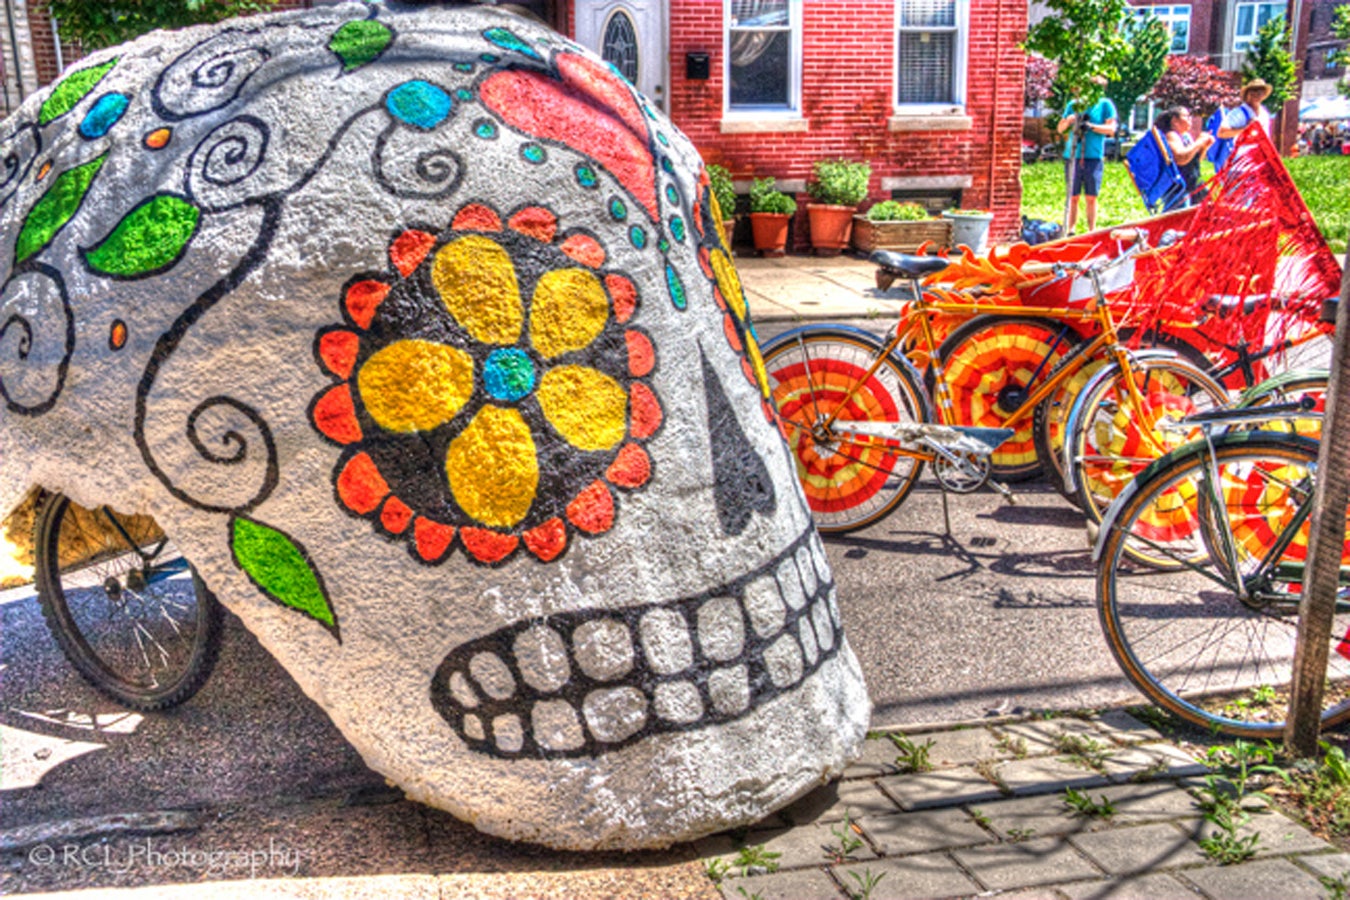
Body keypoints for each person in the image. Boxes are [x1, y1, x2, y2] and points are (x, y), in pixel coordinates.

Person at [1057, 74, 1117, 234]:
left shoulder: (1105, 105)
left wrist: (1091, 126)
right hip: (1073, 156)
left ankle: (1092, 230)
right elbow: (1060, 129)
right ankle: (1071, 229)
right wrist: (1069, 120)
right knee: (1073, 196)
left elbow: (1111, 130)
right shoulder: (1074, 104)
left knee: (1091, 196)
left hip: (1094, 156)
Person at [1159, 107, 1214, 200]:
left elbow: (1193, 161)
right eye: (1186, 116)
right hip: (1178, 189)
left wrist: (1204, 147)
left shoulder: (1185, 136)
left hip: (1191, 185)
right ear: (1175, 121)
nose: (1190, 119)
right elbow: (1180, 159)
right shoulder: (1171, 135)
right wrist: (1199, 142)